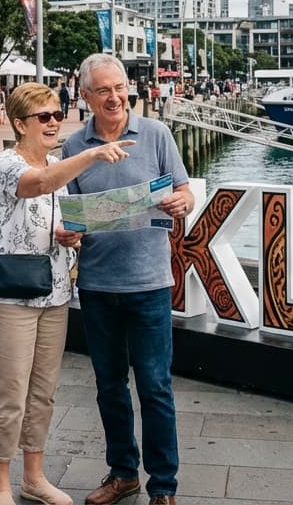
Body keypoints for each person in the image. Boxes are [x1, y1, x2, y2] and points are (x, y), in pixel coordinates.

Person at [0, 83, 133, 505]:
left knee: (43, 391)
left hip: (54, 292)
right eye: (43, 116)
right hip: (10, 295)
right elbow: (37, 184)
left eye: (56, 113)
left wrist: (69, 235)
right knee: (9, 392)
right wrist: (92, 154)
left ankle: (34, 476)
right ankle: (0, 486)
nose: (53, 122)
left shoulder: (57, 164)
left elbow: (53, 212)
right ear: (19, 124)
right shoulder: (6, 163)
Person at [61, 54, 194, 505]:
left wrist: (182, 202)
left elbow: (185, 189)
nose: (115, 96)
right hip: (97, 285)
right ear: (85, 96)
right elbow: (69, 212)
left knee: (156, 386)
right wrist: (68, 231)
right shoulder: (74, 147)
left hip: (150, 284)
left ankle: (164, 485)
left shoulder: (156, 134)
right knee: (109, 386)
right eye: (103, 90)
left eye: (120, 87)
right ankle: (123, 473)